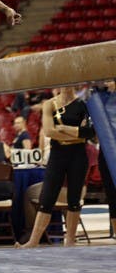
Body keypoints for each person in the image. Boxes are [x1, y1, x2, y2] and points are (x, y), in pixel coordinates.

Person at [16, 85, 95, 248]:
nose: (66, 87)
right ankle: (33, 241)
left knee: (74, 199)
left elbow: (90, 133)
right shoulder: (49, 104)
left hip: (78, 155)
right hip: (58, 154)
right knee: (46, 199)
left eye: (69, 83)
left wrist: (65, 128)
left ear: (75, 84)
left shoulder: (83, 103)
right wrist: (76, 133)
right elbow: (49, 131)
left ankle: (70, 241)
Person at [97, 79, 116, 237]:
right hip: (106, 152)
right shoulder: (102, 100)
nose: (107, 84)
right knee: (111, 193)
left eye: (109, 81)